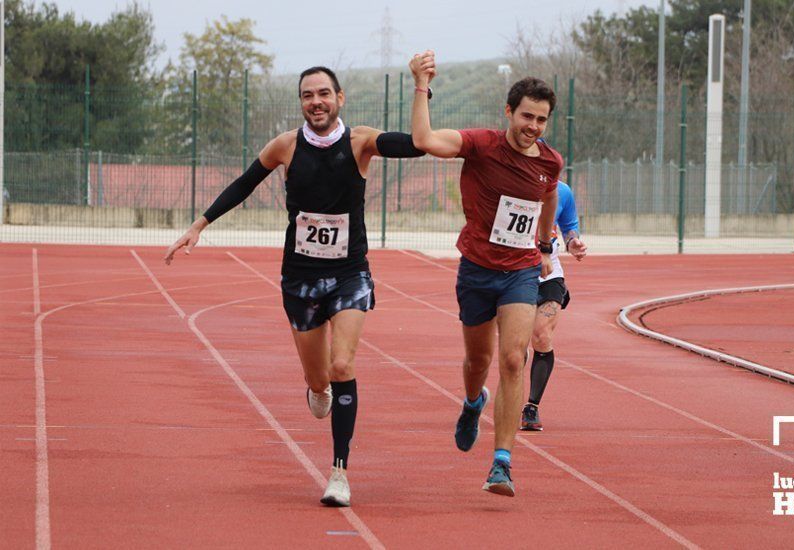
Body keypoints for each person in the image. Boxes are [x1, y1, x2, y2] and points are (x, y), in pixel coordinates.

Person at [163, 66, 424, 507]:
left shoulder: (361, 141)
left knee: (343, 365)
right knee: (319, 378)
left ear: (340, 97)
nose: (316, 101)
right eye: (308, 95)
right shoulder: (285, 146)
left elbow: (417, 145)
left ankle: (339, 471)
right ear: (301, 102)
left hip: (350, 273)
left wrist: (421, 87)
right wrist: (200, 224)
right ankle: (317, 388)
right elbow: (244, 183)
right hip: (300, 278)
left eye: (324, 93)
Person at [409, 50, 561, 497]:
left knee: (515, 358)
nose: (533, 126)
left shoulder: (550, 161)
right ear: (509, 112)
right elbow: (423, 140)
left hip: (520, 271)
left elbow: (549, 195)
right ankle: (474, 402)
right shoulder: (480, 144)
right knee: (478, 362)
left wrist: (546, 242)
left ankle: (502, 463)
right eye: (527, 116)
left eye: (542, 120)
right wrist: (421, 84)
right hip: (477, 270)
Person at [521, 180, 587, 431]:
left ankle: (532, 406)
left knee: (541, 335)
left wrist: (574, 244)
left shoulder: (562, 191)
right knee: (515, 347)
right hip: (515, 274)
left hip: (550, 274)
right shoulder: (510, 182)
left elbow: (569, 228)